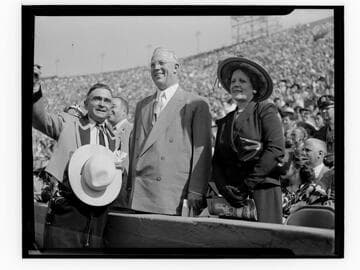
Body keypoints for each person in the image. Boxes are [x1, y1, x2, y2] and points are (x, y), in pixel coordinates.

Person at [32, 65, 120, 248]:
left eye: (106, 101)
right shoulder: (69, 124)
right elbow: (40, 119)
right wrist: (34, 87)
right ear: (86, 103)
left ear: (111, 107)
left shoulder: (115, 137)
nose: (102, 104)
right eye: (97, 99)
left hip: (98, 211)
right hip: (68, 207)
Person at [127, 47, 212, 216]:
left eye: (161, 63)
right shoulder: (142, 106)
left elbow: (201, 151)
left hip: (172, 196)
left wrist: (196, 190)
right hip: (140, 194)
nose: (156, 68)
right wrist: (130, 187)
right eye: (152, 64)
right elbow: (135, 150)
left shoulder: (196, 103)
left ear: (176, 68)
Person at [212, 56, 285, 224]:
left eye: (242, 81)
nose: (236, 84)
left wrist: (246, 185)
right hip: (232, 198)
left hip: (262, 191)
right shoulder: (225, 121)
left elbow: (275, 150)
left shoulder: (265, 110)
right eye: (233, 81)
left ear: (254, 88)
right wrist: (226, 189)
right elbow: (217, 162)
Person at [108, 96, 133, 208]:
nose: (109, 109)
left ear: (124, 111)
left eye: (113, 106)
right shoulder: (108, 131)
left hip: (121, 193)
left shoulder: (131, 129)